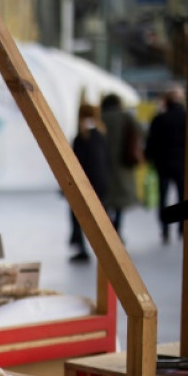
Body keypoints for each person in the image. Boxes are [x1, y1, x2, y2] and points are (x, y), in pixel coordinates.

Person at [68, 103, 111, 263]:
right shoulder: (101, 134)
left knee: (78, 215)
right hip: (101, 181)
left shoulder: (81, 137)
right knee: (101, 215)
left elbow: (76, 162)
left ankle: (82, 248)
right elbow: (107, 159)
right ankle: (106, 248)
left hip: (85, 183)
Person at [144, 86, 186, 244]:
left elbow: (151, 142)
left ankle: (165, 229)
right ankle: (182, 227)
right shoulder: (187, 117)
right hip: (182, 164)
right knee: (183, 196)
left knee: (163, 197)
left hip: (163, 164)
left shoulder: (159, 119)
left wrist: (150, 159)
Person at [99, 93, 141, 239]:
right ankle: (117, 228)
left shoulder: (101, 118)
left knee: (105, 198)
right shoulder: (126, 117)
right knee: (119, 201)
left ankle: (109, 228)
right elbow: (140, 131)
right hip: (123, 164)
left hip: (104, 164)